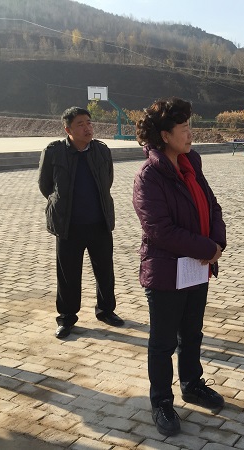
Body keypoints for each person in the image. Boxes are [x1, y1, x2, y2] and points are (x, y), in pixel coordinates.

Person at [132, 97, 226, 437]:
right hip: (166, 272)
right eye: (184, 128)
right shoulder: (149, 177)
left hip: (196, 268)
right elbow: (160, 230)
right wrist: (207, 248)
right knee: (162, 343)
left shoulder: (191, 165)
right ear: (164, 135)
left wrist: (217, 242)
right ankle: (161, 401)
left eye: (190, 126)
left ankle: (192, 383)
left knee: (192, 333)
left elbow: (212, 206)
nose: (190, 133)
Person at [38, 106, 124, 339]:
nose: (87, 128)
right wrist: (63, 206)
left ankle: (106, 310)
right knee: (68, 274)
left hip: (99, 223)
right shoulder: (54, 152)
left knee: (105, 271)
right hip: (68, 225)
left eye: (89, 122)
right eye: (80, 124)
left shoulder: (101, 151)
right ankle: (66, 317)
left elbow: (107, 181)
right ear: (68, 129)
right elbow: (46, 186)